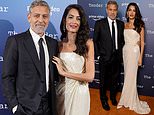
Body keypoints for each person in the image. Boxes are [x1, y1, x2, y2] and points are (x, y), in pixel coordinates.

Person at [2, 0, 58, 115]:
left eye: (45, 16)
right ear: (29, 17)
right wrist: (15, 107)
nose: (41, 20)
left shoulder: (53, 43)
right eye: (36, 16)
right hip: (25, 108)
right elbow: (7, 77)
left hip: (49, 107)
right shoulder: (16, 41)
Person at [52, 4, 95, 115]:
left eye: (78, 18)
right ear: (64, 20)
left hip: (80, 93)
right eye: (70, 17)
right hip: (62, 92)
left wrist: (64, 72)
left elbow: (90, 77)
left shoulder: (88, 44)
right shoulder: (58, 45)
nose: (74, 21)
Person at [117, 2, 151, 114]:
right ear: (127, 12)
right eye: (129, 10)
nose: (131, 12)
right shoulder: (124, 24)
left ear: (136, 12)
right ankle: (126, 99)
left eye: (133, 10)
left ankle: (129, 101)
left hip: (135, 52)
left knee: (131, 77)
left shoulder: (140, 25)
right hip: (125, 52)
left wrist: (140, 58)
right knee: (127, 76)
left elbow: (141, 42)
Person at [93, 0, 124, 111]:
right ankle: (103, 99)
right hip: (104, 58)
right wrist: (98, 56)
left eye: (114, 10)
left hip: (116, 57)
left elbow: (122, 41)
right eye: (110, 9)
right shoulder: (99, 24)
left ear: (117, 11)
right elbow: (95, 41)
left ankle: (112, 97)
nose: (112, 12)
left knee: (115, 80)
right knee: (103, 80)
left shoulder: (121, 24)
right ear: (106, 10)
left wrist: (120, 55)